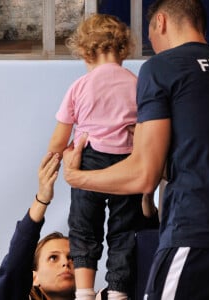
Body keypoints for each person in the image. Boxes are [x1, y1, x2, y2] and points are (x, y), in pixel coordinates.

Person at [62, 0, 209, 299]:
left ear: (161, 22)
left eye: (150, 35)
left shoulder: (162, 67)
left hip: (189, 239)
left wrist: (76, 177)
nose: (152, 43)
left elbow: (144, 176)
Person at [47, 14, 144, 300]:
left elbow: (58, 140)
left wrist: (61, 157)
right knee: (124, 229)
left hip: (88, 160)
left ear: (86, 51)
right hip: (127, 162)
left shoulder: (80, 85)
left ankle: (84, 292)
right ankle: (117, 291)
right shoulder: (137, 84)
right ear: (123, 49)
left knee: (83, 226)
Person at [0, 152, 159, 300]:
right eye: (53, 258)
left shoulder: (113, 296)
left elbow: (149, 259)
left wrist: (148, 205)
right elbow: (12, 270)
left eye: (72, 257)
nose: (65, 263)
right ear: (34, 278)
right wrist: (42, 199)